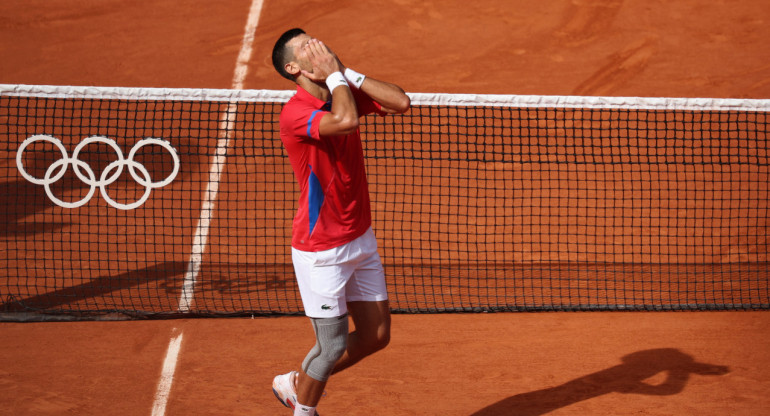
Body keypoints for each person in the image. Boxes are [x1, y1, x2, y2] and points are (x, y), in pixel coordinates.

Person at [269, 28, 410, 416]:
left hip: (360, 239)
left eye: (320, 43)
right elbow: (346, 121)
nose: (319, 48)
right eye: (307, 48)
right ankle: (304, 410)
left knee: (376, 336)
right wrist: (335, 76)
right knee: (329, 347)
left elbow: (400, 101)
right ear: (294, 68)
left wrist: (344, 71)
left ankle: (297, 383)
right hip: (321, 251)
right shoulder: (297, 112)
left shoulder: (338, 89)